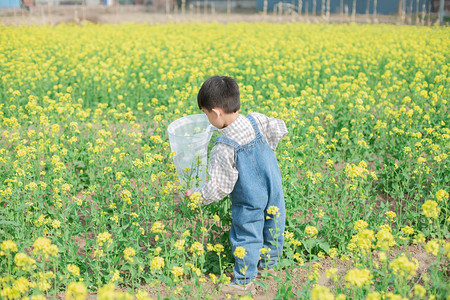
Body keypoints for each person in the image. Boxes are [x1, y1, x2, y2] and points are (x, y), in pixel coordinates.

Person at [185, 76, 287, 296]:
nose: (207, 119)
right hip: (273, 186)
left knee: (246, 233)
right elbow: (278, 129)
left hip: (249, 197)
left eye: (206, 114)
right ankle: (269, 264)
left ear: (216, 112)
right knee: (275, 222)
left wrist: (197, 195)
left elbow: (220, 186)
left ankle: (243, 281)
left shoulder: (224, 147)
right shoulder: (256, 120)